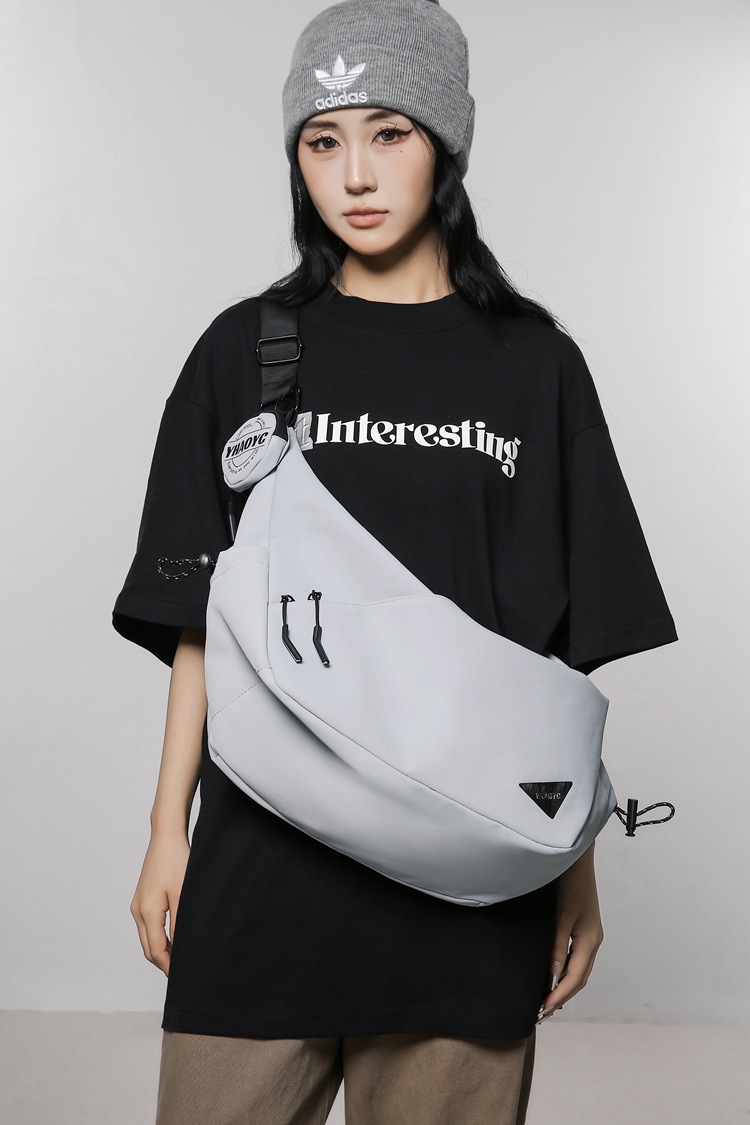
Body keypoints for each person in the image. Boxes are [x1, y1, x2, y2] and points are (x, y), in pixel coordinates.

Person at [112, 1, 678, 1122]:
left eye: (390, 133)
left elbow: (555, 655)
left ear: (445, 145)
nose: (356, 175)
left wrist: (571, 864)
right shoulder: (245, 351)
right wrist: (166, 831)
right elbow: (203, 625)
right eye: (323, 141)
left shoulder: (535, 367)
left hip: (468, 895)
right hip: (261, 873)